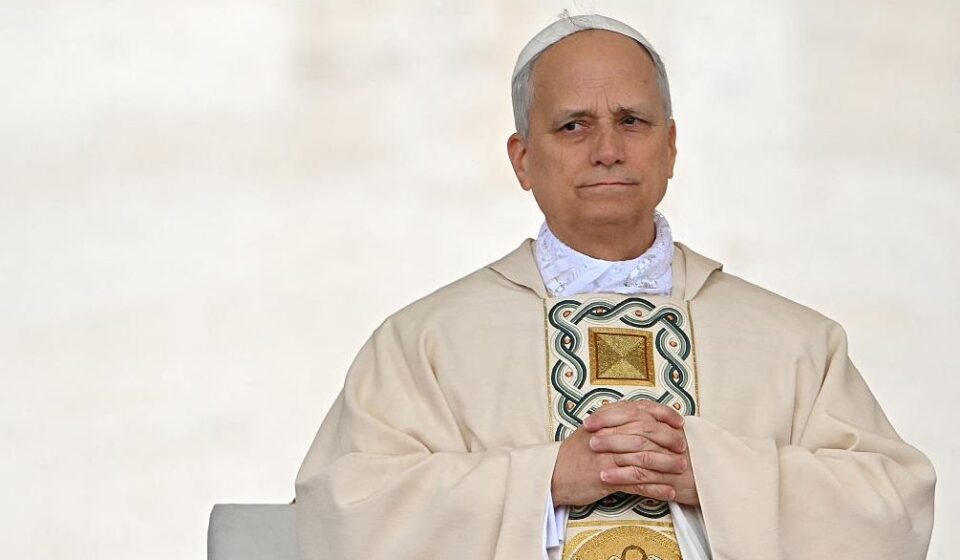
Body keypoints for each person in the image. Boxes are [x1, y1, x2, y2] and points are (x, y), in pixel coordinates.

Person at [294, 13, 936, 560]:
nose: (607, 148)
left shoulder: (793, 342)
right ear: (522, 158)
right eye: (573, 125)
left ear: (671, 147)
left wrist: (711, 474)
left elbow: (893, 509)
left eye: (631, 120)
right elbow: (341, 511)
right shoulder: (425, 343)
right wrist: (547, 480)